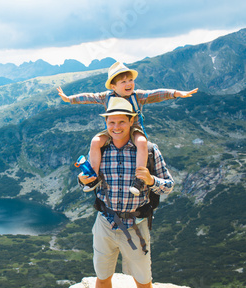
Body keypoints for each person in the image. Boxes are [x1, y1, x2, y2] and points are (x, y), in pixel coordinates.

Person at [78, 97, 174, 288]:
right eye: (111, 122)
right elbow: (91, 185)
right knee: (102, 276)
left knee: (143, 280)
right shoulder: (100, 148)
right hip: (105, 222)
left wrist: (151, 180)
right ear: (106, 123)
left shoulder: (149, 150)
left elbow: (168, 185)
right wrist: (83, 181)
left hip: (136, 225)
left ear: (131, 121)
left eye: (121, 121)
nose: (116, 127)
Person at [57, 61, 196, 195]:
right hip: (114, 129)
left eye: (130, 80)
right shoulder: (106, 97)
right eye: (123, 81)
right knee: (95, 141)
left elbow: (155, 94)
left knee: (141, 142)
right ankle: (93, 177)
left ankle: (139, 180)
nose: (129, 84)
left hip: (134, 128)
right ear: (113, 86)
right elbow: (89, 97)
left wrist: (176, 93)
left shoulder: (138, 96)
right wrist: (69, 99)